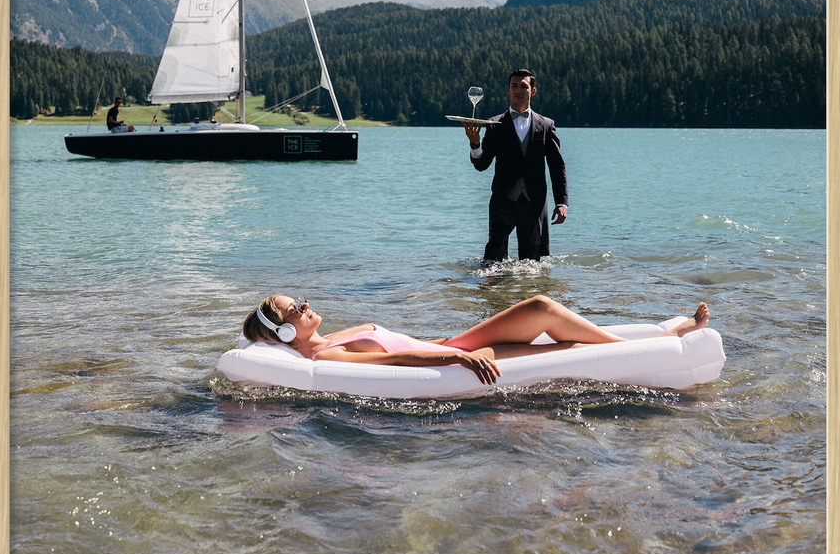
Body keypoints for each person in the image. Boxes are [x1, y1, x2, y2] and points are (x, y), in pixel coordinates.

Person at [243, 292, 713, 387]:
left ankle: (666, 334)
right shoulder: (330, 355)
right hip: (457, 355)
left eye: (299, 300)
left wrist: (447, 344)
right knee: (543, 311)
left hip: (454, 343)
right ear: (285, 331)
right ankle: (668, 337)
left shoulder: (333, 335)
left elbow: (398, 341)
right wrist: (459, 360)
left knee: (548, 322)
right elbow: (393, 363)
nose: (305, 305)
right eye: (294, 310)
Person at [463, 69, 567, 264]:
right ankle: (494, 294)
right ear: (508, 90)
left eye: (523, 86)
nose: (518, 90)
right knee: (492, 263)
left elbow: (557, 167)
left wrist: (561, 203)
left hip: (534, 203)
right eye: (514, 86)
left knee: (532, 265)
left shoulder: (546, 125)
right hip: (503, 202)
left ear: (532, 91)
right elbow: (481, 165)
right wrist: (475, 144)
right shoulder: (494, 124)